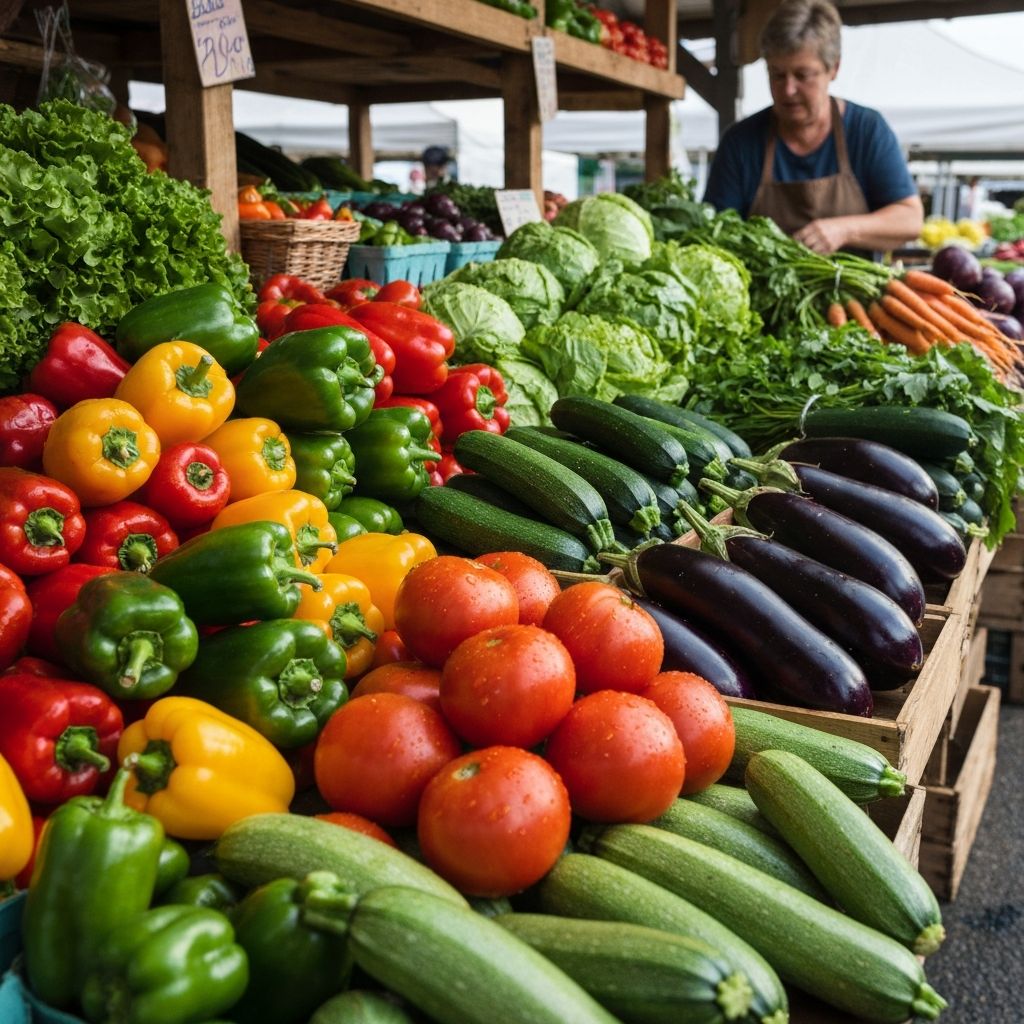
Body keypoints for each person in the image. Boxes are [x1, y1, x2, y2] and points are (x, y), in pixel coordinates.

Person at [704, 0, 923, 255]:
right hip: (763, 282)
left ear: (834, 68)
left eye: (802, 75)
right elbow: (715, 232)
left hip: (854, 282)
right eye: (777, 74)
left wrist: (843, 230)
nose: (788, 90)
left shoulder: (867, 131)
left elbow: (910, 219)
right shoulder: (740, 143)